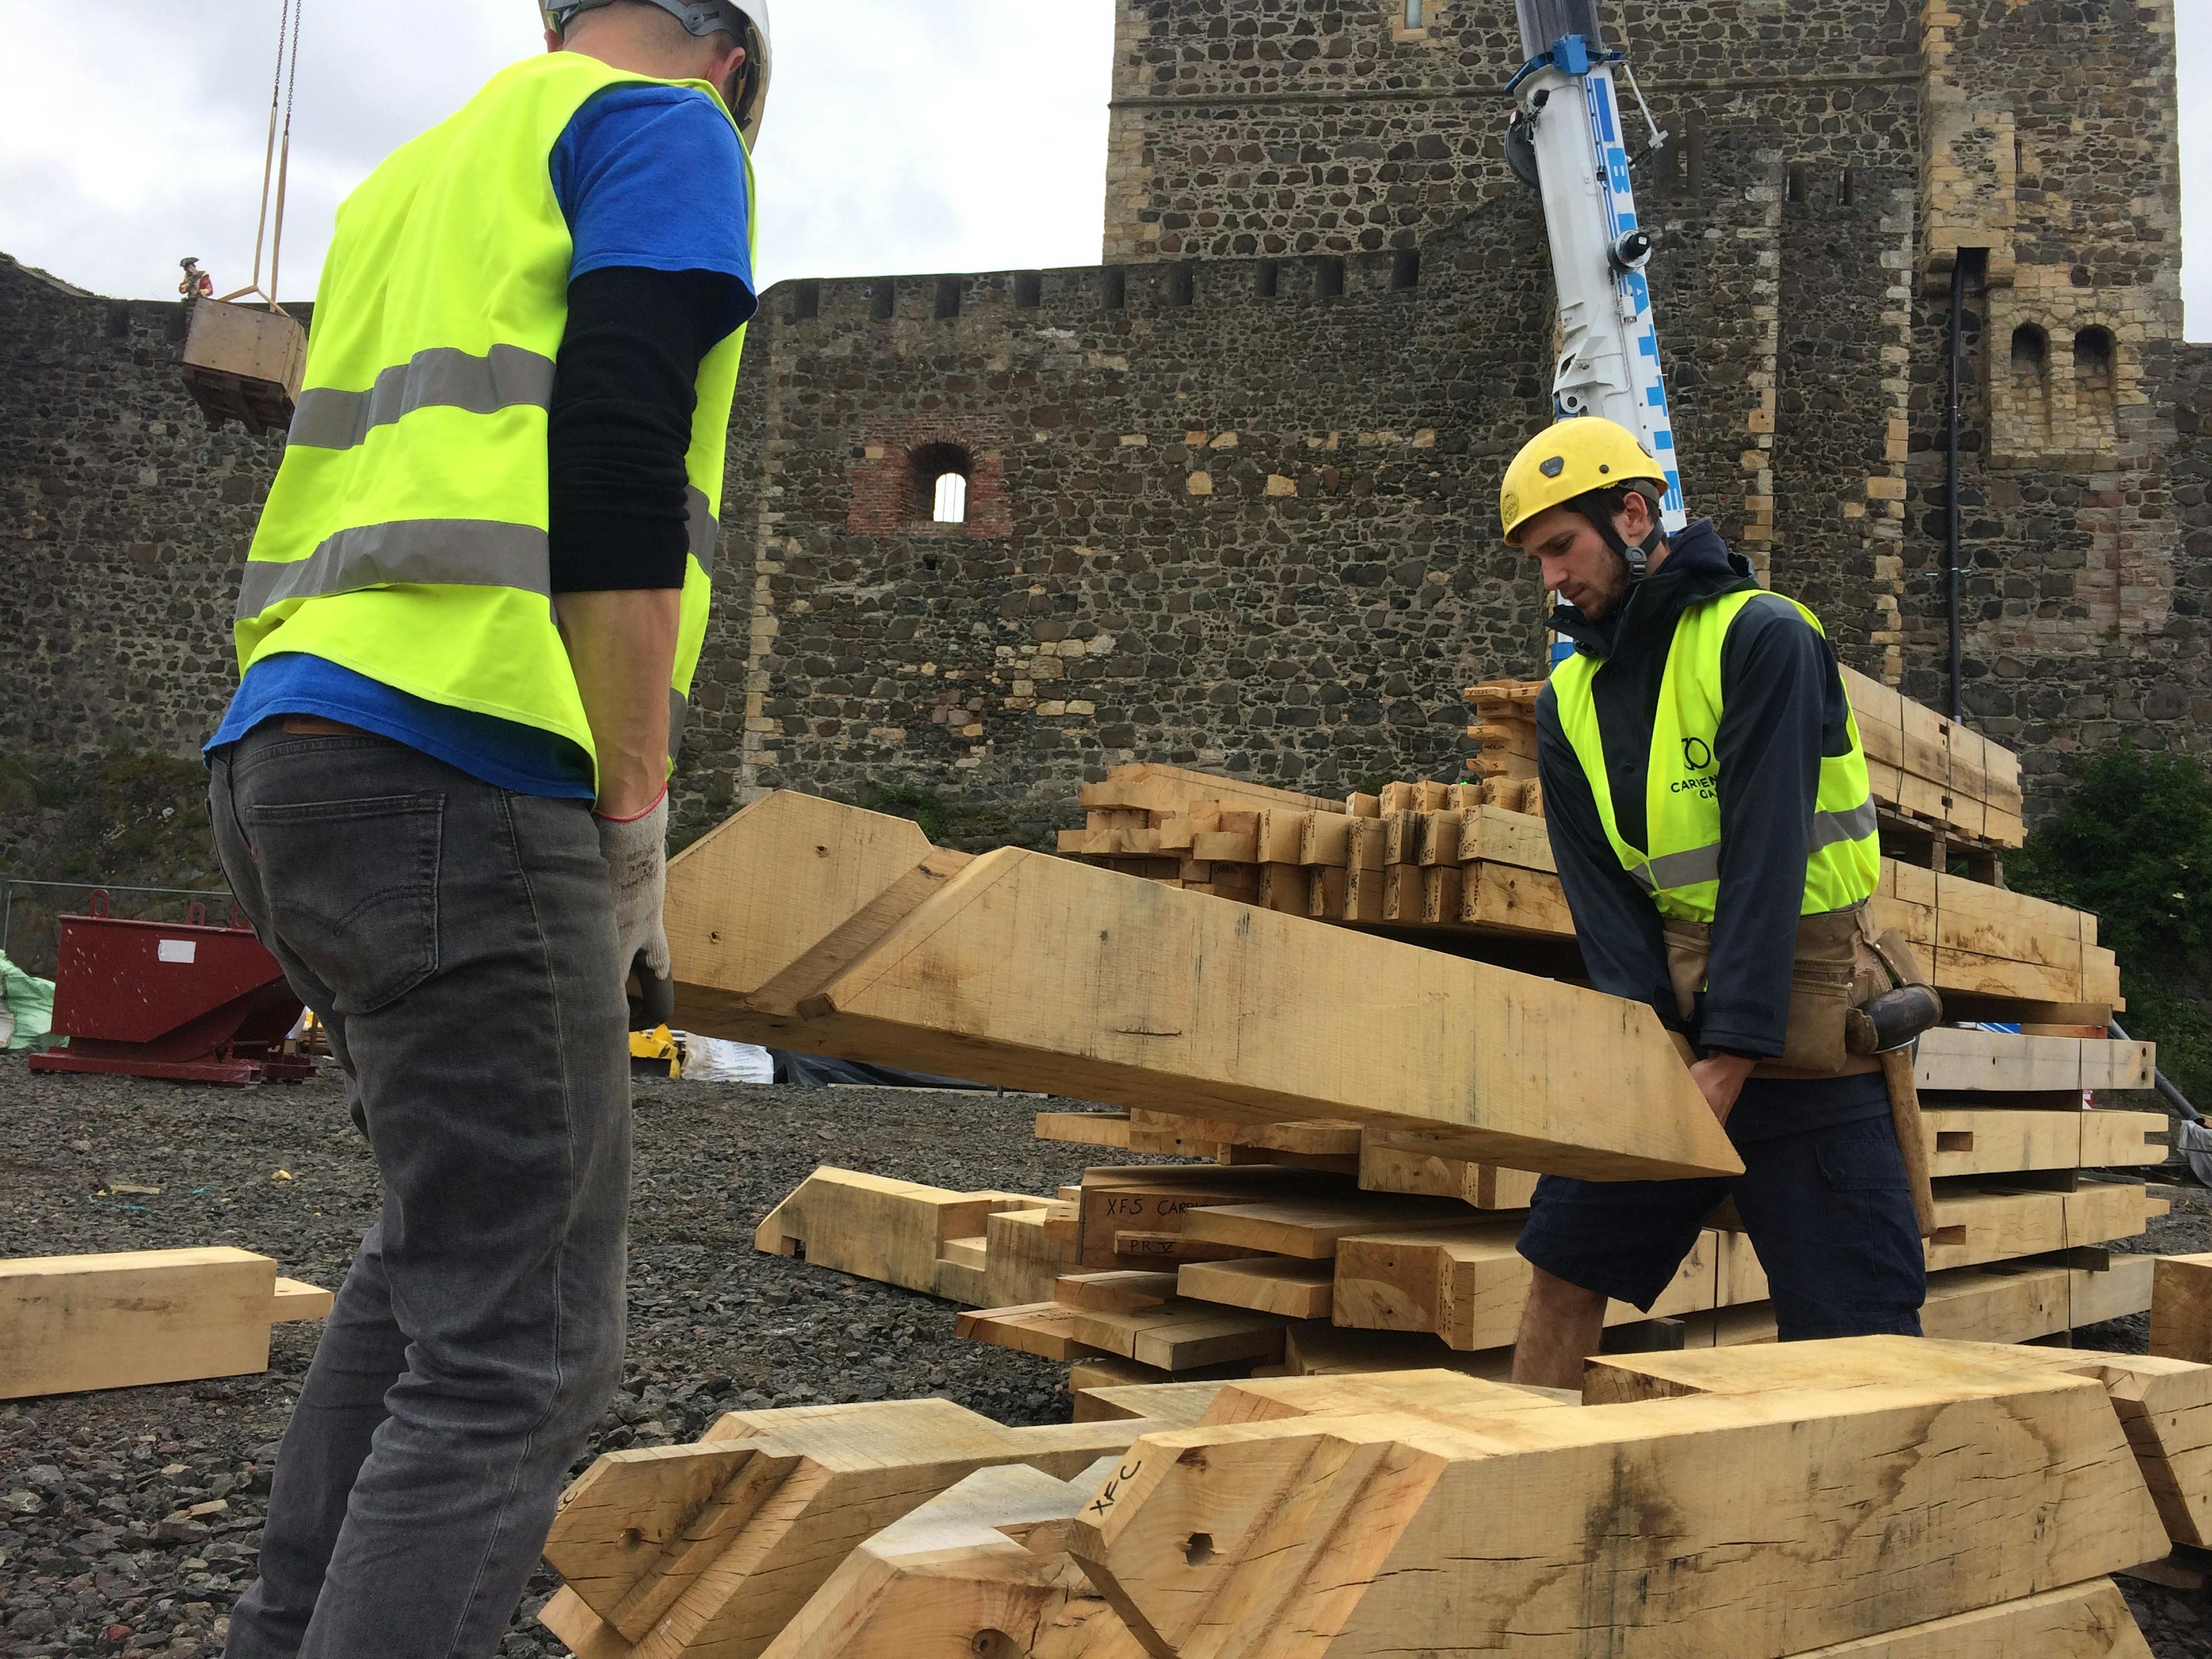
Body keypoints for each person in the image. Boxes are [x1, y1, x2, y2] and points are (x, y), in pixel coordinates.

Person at [201, 3, 770, 1653]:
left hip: (287, 751)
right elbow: (618, 444)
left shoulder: (410, 177)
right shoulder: (664, 126)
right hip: (469, 756)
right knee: (523, 1349)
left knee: (431, 1264)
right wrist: (635, 800)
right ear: (730, 61)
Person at [1499, 416, 1927, 1391]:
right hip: (1678, 1031)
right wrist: (1658, 1045)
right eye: (1536, 561)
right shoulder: (1567, 700)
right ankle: (1520, 1464)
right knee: (1564, 1268)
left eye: (1561, 547)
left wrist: (1731, 1054)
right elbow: (1603, 901)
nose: (1552, 578)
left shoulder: (1763, 636)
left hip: (1810, 1024)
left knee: (1855, 1330)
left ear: (1632, 515)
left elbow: (1767, 859)